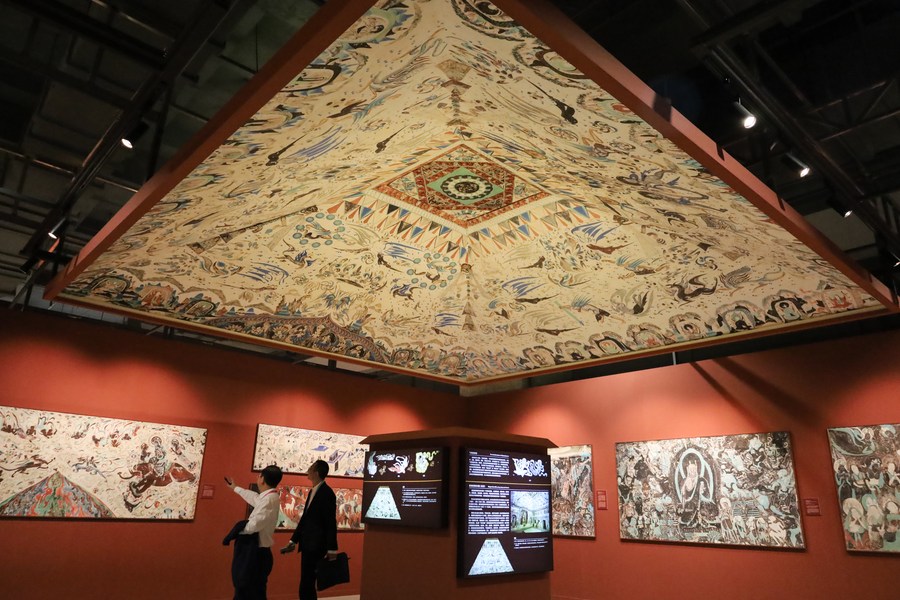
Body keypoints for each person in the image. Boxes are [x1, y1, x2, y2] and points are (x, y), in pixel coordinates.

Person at [281, 460, 338, 600]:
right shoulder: (314, 491)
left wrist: (332, 548)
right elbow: (305, 519)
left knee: (307, 582)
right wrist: (293, 540)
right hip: (308, 544)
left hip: (316, 545)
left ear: (316, 473)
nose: (308, 470)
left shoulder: (327, 493)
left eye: (310, 468)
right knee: (307, 581)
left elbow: (330, 522)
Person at [225, 465, 283, 600]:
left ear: (262, 479)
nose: (258, 478)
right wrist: (235, 488)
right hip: (258, 553)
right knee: (253, 591)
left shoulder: (269, 499)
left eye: (259, 475)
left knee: (247, 591)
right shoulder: (269, 497)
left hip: (255, 554)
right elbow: (254, 497)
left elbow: (254, 525)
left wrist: (238, 529)